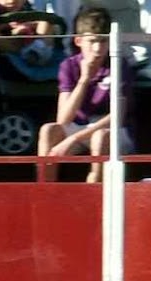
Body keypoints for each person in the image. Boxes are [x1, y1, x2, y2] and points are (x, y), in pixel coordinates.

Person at [37, 4, 133, 182]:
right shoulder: (68, 66)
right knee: (48, 130)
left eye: (103, 41)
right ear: (78, 41)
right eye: (92, 41)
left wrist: (74, 138)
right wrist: (84, 79)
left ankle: (95, 193)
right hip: (78, 125)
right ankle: (44, 192)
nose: (97, 49)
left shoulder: (119, 65)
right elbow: (63, 119)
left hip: (110, 130)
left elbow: (117, 117)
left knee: (100, 137)